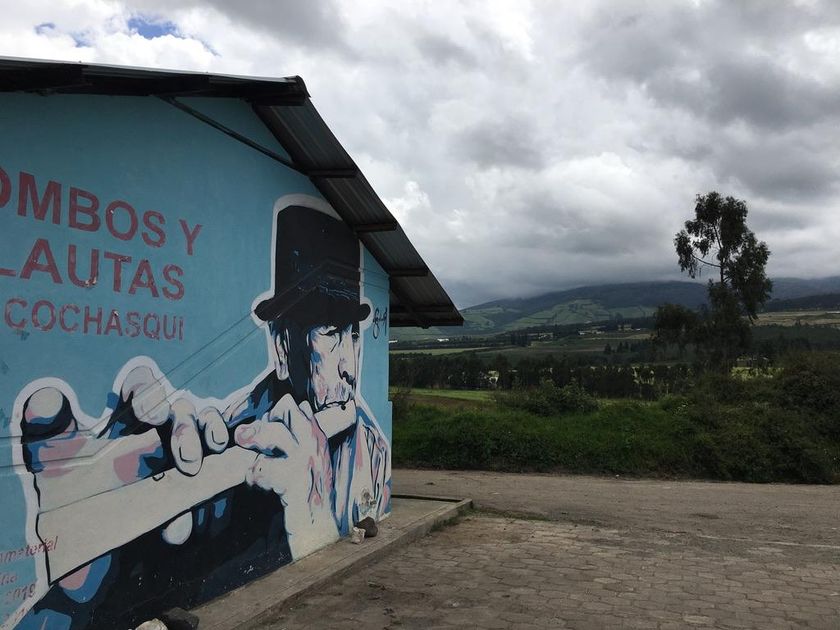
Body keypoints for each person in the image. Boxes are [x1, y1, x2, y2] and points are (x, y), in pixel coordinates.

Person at [13, 203, 390, 629]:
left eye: (353, 334)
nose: (349, 364)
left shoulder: (372, 450)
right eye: (331, 334)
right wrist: (96, 576)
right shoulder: (233, 444)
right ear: (283, 347)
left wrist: (313, 528)